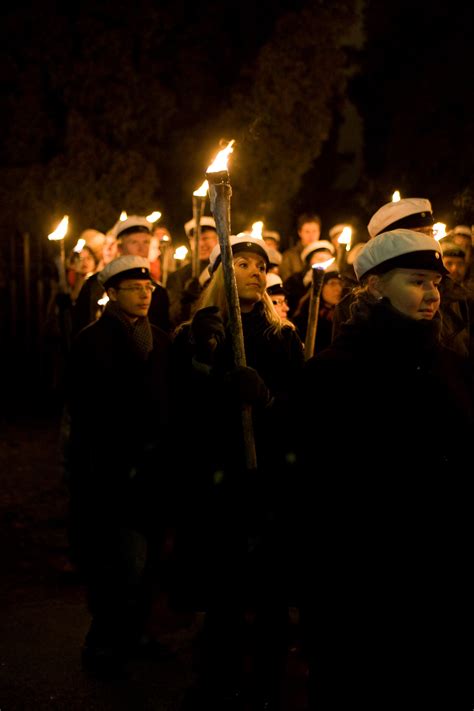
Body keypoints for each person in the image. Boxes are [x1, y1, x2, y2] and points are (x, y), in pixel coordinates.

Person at [292, 229, 474, 708]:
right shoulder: (335, 372)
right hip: (364, 583)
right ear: (374, 285)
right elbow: (315, 486)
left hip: (440, 576)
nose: (432, 293)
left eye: (436, 282)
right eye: (417, 281)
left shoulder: (452, 367)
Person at [171, 234, 304, 710]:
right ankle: (217, 679)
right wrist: (208, 371)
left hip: (268, 479)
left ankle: (266, 684)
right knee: (223, 591)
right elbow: (177, 408)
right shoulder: (196, 332)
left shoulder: (282, 336)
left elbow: (301, 407)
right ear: (219, 274)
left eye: (257, 264)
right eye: (240, 262)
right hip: (218, 479)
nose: (251, 270)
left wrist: (267, 399)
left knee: (269, 592)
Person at [66, 255, 172, 679]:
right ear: (111, 293)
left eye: (149, 289)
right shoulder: (91, 341)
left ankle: (136, 631)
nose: (145, 294)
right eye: (134, 288)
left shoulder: (162, 341)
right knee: (116, 559)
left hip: (153, 469)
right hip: (110, 468)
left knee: (148, 559)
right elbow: (86, 408)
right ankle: (104, 636)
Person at [332, 197, 473, 359]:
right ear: (386, 241)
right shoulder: (351, 309)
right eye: (419, 233)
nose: (429, 240)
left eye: (430, 232)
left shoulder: (456, 295)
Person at [72, 216, 170, 335]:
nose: (141, 248)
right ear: (120, 247)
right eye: (134, 242)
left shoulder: (158, 292)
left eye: (146, 242)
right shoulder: (96, 283)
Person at [166, 217, 218, 329]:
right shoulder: (178, 276)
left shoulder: (228, 271)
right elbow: (173, 316)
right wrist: (185, 301)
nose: (201, 244)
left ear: (217, 239)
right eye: (196, 239)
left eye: (205, 238)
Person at [279, 212, 322, 282]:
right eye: (307, 232)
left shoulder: (325, 255)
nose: (311, 236)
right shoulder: (289, 256)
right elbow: (287, 283)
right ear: (300, 232)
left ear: (319, 232)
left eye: (314, 231)